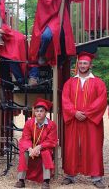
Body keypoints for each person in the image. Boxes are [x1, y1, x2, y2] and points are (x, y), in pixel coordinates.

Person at [61, 51, 107, 188]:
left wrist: (86, 113)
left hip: (92, 120)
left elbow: (102, 100)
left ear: (90, 65)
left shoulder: (98, 82)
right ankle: (70, 175)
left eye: (85, 63)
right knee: (71, 146)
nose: (82, 65)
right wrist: (74, 113)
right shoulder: (70, 82)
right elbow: (65, 99)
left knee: (94, 146)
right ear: (78, 64)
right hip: (74, 119)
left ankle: (96, 177)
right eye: (80, 63)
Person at [29, 0, 84, 67]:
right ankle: (41, 54)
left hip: (59, 17)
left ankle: (58, 59)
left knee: (52, 36)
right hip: (46, 17)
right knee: (45, 37)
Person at [14, 98, 57, 189]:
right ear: (34, 112)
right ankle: (21, 180)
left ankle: (46, 181)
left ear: (46, 113)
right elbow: (25, 138)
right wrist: (30, 149)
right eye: (37, 111)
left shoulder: (51, 125)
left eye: (41, 111)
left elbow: (51, 140)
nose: (39, 113)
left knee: (46, 153)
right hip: (31, 148)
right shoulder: (29, 123)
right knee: (24, 152)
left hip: (44, 147)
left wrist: (40, 147)